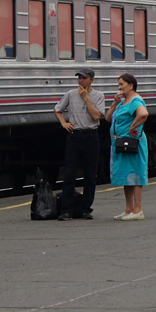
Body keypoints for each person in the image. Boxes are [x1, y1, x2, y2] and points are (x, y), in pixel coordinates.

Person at [53, 67, 105, 220]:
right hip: (74, 136)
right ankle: (66, 210)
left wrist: (86, 99)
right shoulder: (70, 94)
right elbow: (57, 109)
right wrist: (63, 123)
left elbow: (96, 116)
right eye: (79, 78)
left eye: (84, 78)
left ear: (91, 80)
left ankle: (85, 209)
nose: (81, 81)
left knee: (90, 175)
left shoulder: (98, 96)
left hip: (91, 136)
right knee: (69, 174)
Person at [107, 73, 149, 220]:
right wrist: (113, 103)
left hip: (132, 143)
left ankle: (138, 210)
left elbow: (143, 114)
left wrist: (132, 127)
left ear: (131, 86)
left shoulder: (135, 100)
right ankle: (128, 209)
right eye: (118, 85)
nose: (119, 88)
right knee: (126, 175)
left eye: (121, 85)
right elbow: (107, 118)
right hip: (120, 143)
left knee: (135, 173)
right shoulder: (122, 102)